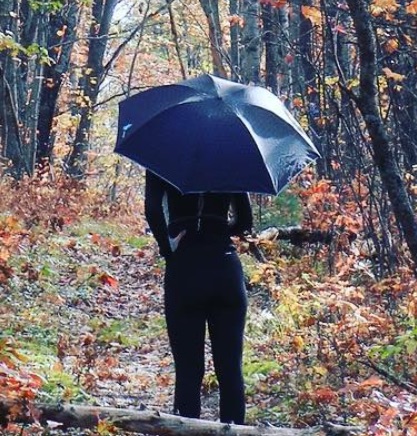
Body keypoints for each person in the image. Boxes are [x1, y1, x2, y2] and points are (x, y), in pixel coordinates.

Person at [144, 169, 253, 425]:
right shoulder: (230, 155)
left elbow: (152, 210)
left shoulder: (163, 153)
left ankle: (186, 429)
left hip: (184, 270)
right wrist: (219, 229)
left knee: (188, 371)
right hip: (225, 271)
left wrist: (167, 247)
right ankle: (234, 431)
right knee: (230, 371)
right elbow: (245, 220)